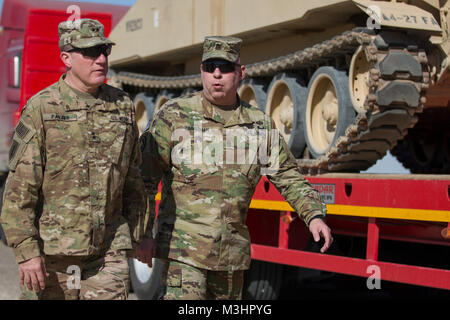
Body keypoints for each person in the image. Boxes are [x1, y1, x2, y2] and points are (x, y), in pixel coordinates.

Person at [138, 36, 333, 300]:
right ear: (202, 72)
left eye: (225, 67)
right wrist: (143, 233)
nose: (217, 74)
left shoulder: (258, 125)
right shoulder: (174, 116)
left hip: (231, 257)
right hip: (182, 253)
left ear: (241, 73)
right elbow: (144, 179)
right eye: (210, 67)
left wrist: (314, 215)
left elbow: (287, 175)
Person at [0, 19, 151, 300]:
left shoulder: (122, 106)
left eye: (104, 50)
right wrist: (26, 252)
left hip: (108, 250)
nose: (101, 59)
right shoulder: (42, 108)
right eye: (90, 52)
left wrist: (142, 234)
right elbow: (20, 189)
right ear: (66, 58)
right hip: (55, 253)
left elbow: (133, 178)